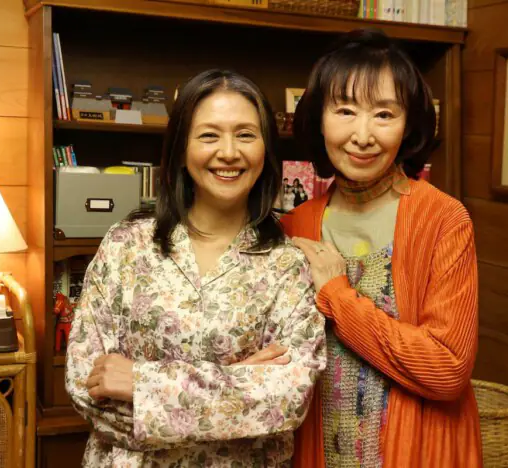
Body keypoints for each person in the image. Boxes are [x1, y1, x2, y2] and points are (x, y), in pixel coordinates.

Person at [65, 69, 326, 467]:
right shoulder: (126, 245)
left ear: (266, 150)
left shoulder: (286, 264)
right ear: (182, 149)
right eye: (209, 135)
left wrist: (142, 383)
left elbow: (288, 399)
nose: (229, 152)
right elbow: (86, 385)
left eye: (245, 135)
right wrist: (236, 385)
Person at [282, 28, 482, 467]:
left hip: (417, 452)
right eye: (345, 110)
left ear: (409, 124)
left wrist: (336, 296)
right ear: (318, 117)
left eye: (384, 114)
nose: (363, 135)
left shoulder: (443, 220)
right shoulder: (296, 225)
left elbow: (447, 369)